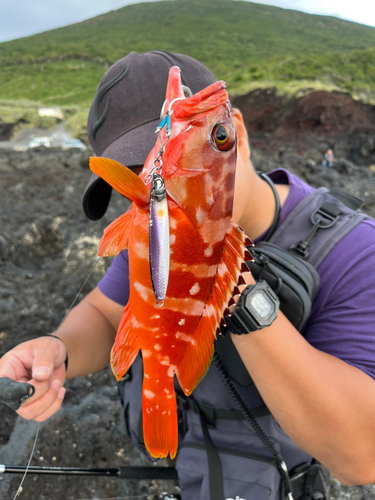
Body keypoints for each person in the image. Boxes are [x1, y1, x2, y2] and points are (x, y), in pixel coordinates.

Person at [1, 51, 375, 499]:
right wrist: (58, 350)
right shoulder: (151, 227)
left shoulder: (355, 251)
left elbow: (361, 457)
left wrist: (234, 288)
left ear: (234, 132)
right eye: (139, 179)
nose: (158, 196)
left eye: (166, 169)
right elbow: (105, 313)